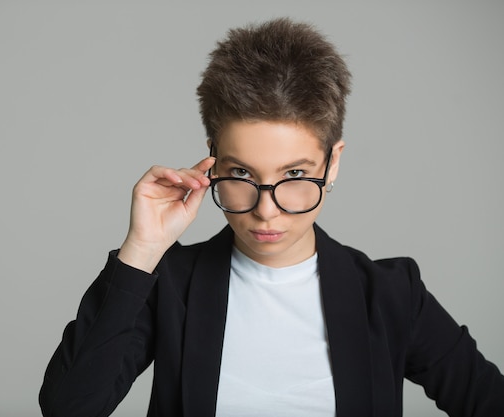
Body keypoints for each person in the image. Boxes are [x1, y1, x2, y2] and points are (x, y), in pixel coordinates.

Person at [39, 18, 504, 416]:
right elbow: (69, 408)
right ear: (212, 161)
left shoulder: (391, 294)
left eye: (295, 174)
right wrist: (140, 251)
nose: (266, 210)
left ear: (333, 162)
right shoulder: (169, 284)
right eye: (241, 172)